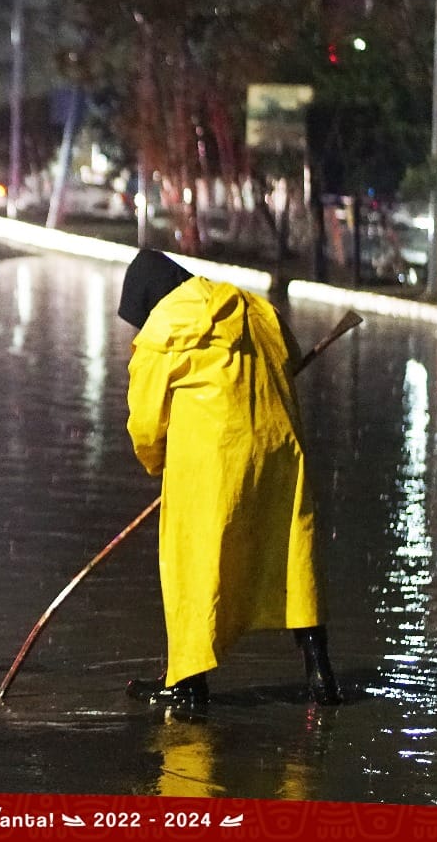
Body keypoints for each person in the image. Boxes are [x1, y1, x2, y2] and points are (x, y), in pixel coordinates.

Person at [117, 248, 342, 710]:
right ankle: (321, 676)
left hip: (212, 463)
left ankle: (187, 684)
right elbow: (290, 353)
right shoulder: (250, 305)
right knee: (291, 558)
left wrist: (158, 461)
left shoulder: (163, 331)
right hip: (279, 451)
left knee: (192, 567)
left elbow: (144, 424)